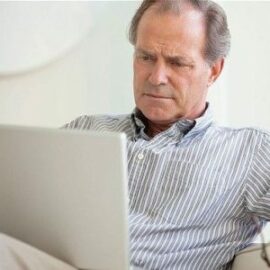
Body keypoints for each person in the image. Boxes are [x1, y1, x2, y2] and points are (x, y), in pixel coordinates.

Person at [1, 0, 269, 269]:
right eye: (146, 57)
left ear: (213, 70)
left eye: (177, 63)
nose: (157, 77)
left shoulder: (248, 151)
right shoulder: (87, 130)